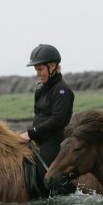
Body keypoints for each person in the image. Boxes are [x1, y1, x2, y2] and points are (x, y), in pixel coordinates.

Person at [20, 44, 75, 187]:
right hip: (38, 138)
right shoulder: (40, 89)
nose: (37, 73)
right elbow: (38, 116)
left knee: (42, 175)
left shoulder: (62, 90)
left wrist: (32, 133)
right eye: (36, 70)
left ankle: (61, 194)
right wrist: (32, 135)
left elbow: (58, 120)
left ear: (52, 67)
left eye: (40, 69)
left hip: (53, 141)